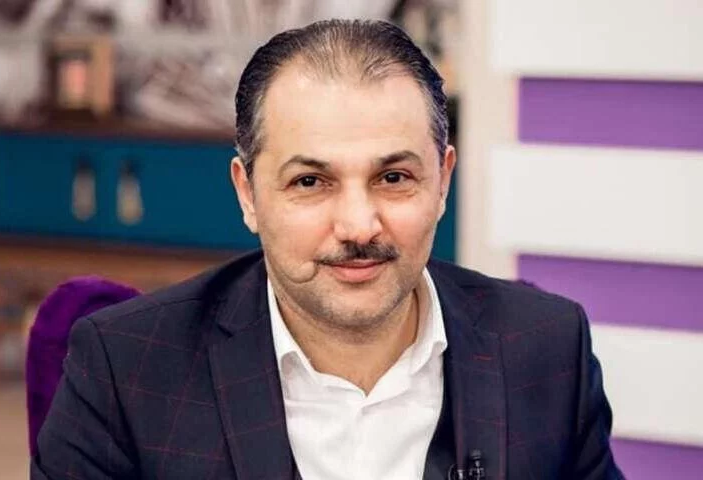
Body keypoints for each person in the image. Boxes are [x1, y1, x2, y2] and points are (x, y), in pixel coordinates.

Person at [32, 19, 624, 480]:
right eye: (311, 182)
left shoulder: (548, 349)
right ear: (248, 194)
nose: (358, 226)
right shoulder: (126, 369)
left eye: (393, 177)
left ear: (442, 181)